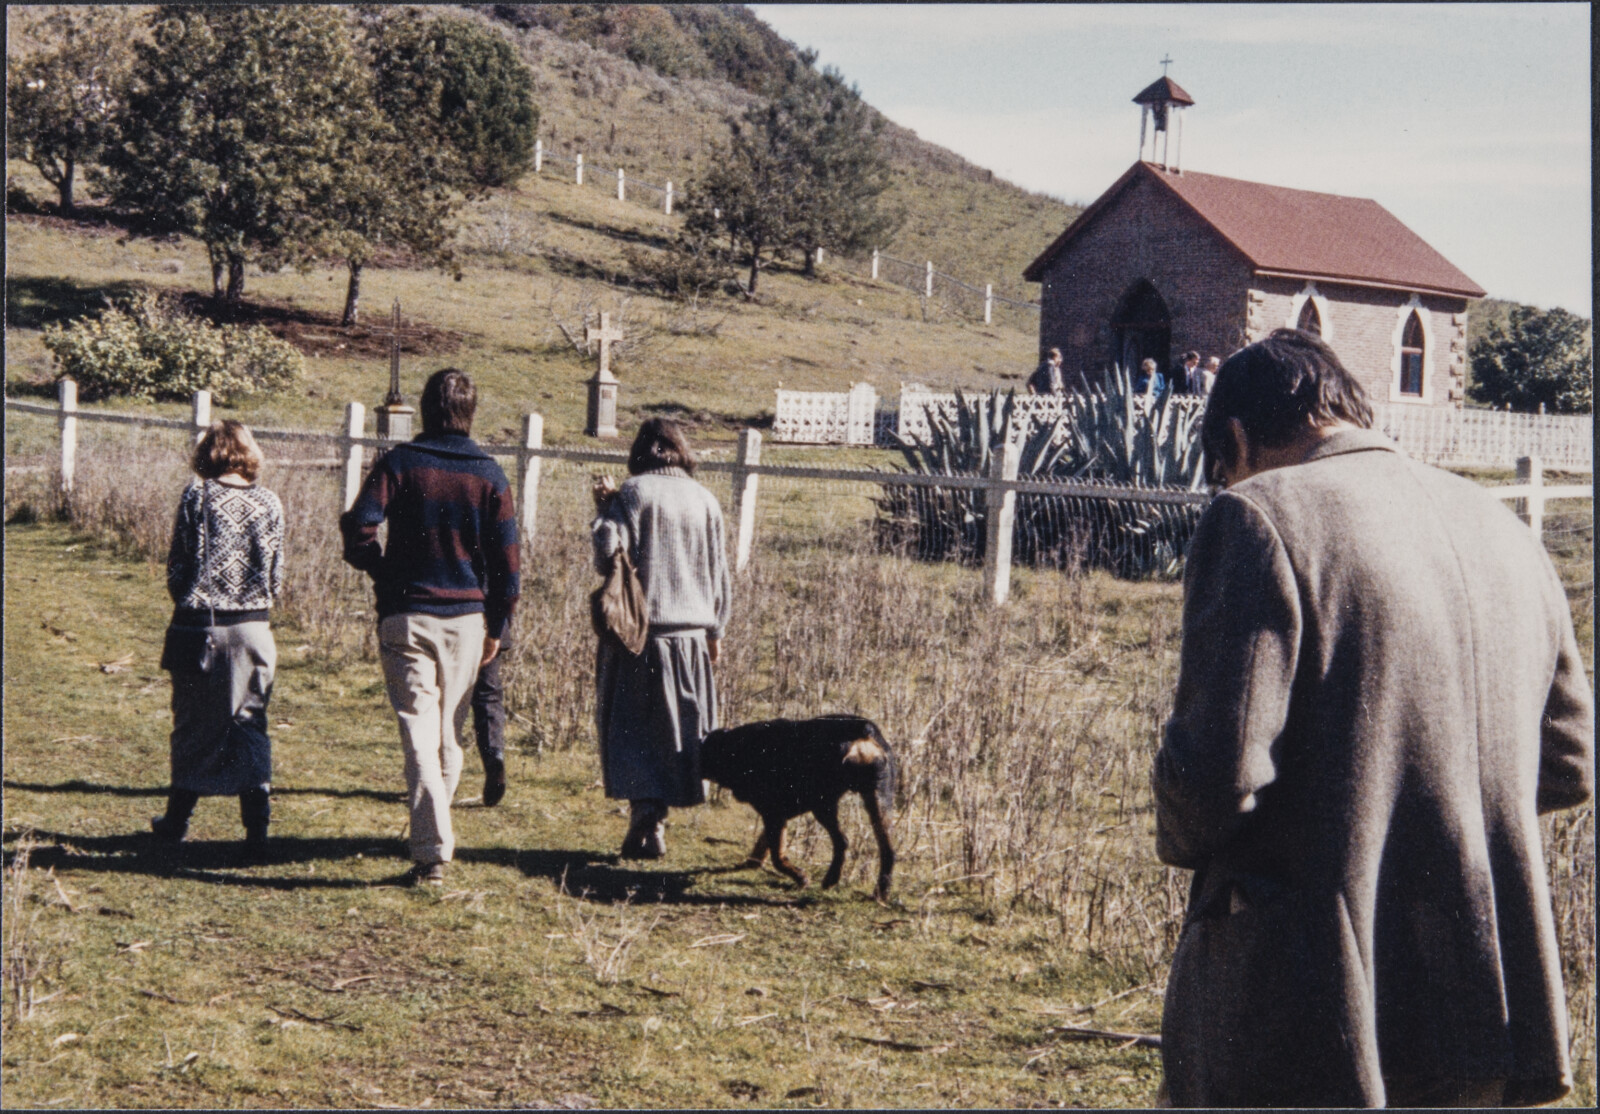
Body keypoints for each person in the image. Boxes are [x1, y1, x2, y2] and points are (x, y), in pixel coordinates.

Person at [1153, 329, 1593, 1107]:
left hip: (1309, 1006)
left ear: (1237, 438)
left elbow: (1214, 780)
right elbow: (1568, 764)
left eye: (1225, 469)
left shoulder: (1258, 514)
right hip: (1484, 993)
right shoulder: (1507, 532)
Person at [341, 368, 520, 886]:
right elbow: (509, 566)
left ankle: (431, 849)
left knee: (419, 731)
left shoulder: (400, 462)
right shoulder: (491, 475)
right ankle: (431, 842)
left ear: (423, 407)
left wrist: (379, 565)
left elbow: (360, 525)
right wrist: (497, 626)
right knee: (445, 734)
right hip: (467, 618)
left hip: (406, 612)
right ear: (472, 411)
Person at [591, 418, 731, 860]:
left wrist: (604, 510)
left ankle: (645, 814)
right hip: (691, 635)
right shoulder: (705, 500)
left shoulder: (633, 493)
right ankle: (657, 820)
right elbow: (719, 574)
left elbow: (606, 556)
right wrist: (716, 630)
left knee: (634, 730)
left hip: (640, 634)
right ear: (681, 451)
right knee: (680, 732)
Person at [153, 420, 284, 854]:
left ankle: (176, 822)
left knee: (192, 724)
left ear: (208, 453)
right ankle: (256, 831)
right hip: (253, 625)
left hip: (199, 625)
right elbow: (276, 575)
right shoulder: (269, 502)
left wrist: (188, 598)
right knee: (249, 722)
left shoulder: (197, 495)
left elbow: (178, 564)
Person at [469, 635, 510, 806]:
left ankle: (437, 772)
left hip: (453, 621)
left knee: (441, 695)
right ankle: (494, 755)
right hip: (491, 625)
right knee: (488, 695)